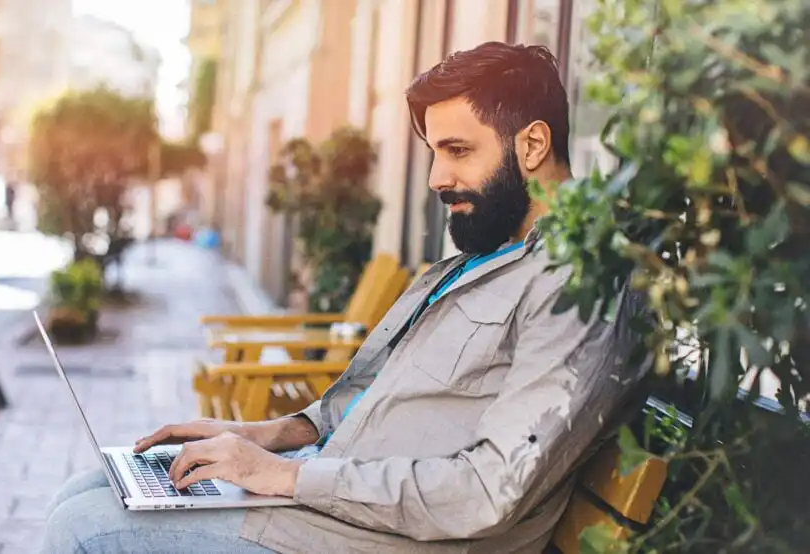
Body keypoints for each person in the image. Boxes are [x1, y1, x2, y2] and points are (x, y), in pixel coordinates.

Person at [42, 42, 649, 554]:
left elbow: (488, 491)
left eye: (457, 151)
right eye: (435, 152)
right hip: (333, 506)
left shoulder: (577, 282)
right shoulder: (485, 255)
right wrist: (265, 437)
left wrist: (285, 478)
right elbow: (367, 404)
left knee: (82, 531)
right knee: (92, 486)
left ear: (534, 145)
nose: (437, 178)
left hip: (377, 538)